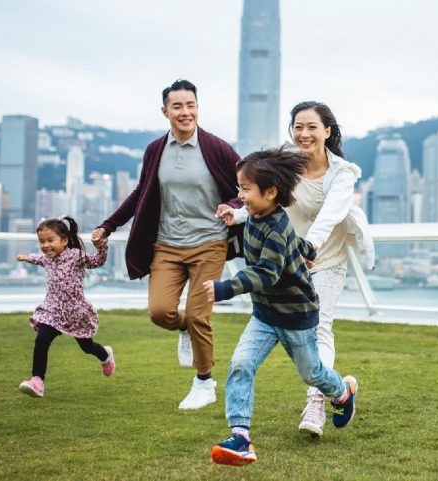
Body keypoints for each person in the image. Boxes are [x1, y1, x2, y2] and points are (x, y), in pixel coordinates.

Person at [218, 101, 373, 436]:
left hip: (325, 259)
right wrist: (238, 214)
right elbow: (264, 197)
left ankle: (317, 403)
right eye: (298, 126)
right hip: (284, 261)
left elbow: (329, 215)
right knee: (279, 340)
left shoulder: (341, 174)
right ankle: (338, 389)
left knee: (321, 330)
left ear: (327, 131)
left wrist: (310, 249)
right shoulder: (285, 164)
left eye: (312, 127)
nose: (304, 133)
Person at [91, 79, 243, 410]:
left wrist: (232, 204)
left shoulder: (217, 148)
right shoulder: (155, 150)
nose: (185, 112)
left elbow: (244, 187)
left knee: (200, 315)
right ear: (165, 111)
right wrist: (108, 225)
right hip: (168, 245)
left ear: (198, 108)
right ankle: (184, 328)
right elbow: (140, 193)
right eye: (177, 106)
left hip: (209, 243)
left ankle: (204, 382)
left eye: (191, 105)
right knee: (161, 312)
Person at [203, 149, 358, 466]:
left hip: (296, 317)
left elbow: (266, 273)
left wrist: (223, 288)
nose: (240, 195)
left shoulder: (275, 226)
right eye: (239, 187)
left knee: (312, 373)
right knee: (241, 364)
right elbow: (295, 242)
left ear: (270, 192)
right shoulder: (259, 217)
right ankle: (241, 438)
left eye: (245, 188)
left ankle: (342, 393)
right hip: (264, 315)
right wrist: (307, 248)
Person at [17, 216, 112, 398]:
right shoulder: (47, 259)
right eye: (41, 241)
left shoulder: (76, 256)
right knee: (42, 339)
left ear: (65, 240)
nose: (45, 246)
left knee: (86, 346)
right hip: (52, 311)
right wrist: (28, 258)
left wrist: (101, 245)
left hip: (75, 312)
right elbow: (39, 259)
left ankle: (105, 355)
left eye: (50, 240)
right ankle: (37, 381)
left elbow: (98, 261)